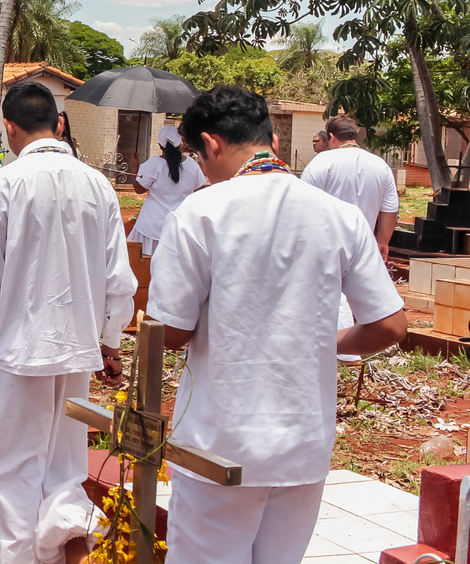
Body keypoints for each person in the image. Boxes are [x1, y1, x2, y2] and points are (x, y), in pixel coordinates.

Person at [148, 87, 406, 564]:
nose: (203, 170)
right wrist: (323, 342)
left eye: (199, 159)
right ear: (271, 139)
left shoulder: (201, 212)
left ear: (212, 144)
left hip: (219, 442)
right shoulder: (340, 216)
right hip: (302, 442)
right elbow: (390, 325)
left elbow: (171, 332)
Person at [0, 81, 138, 564]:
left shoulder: (5, 183)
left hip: (15, 352)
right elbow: (119, 278)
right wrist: (111, 343)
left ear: (9, 128)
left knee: (9, 472)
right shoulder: (97, 184)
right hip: (75, 351)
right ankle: (61, 552)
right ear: (58, 124)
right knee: (63, 467)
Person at [301, 115, 398, 260]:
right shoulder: (381, 166)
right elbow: (390, 209)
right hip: (365, 250)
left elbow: (304, 207)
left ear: (332, 137)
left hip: (327, 251)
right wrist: (382, 242)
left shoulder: (320, 163)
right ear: (354, 135)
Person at [128, 124, 207, 258]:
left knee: (143, 266)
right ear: (179, 143)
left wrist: (134, 169)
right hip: (179, 226)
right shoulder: (192, 165)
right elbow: (199, 190)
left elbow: (138, 189)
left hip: (150, 227)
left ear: (160, 145)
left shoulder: (154, 163)